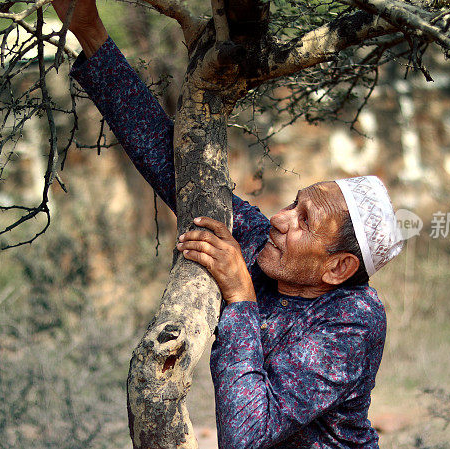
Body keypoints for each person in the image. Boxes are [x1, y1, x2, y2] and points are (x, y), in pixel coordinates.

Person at [53, 1, 404, 447]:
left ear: (337, 269)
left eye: (303, 221)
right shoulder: (265, 247)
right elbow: (171, 164)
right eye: (293, 204)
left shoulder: (352, 320)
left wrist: (240, 298)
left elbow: (246, 437)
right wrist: (91, 33)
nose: (278, 219)